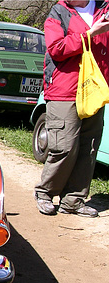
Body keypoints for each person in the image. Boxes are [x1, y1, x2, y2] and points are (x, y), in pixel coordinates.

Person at [35, 0, 109, 217]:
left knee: (88, 148)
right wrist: (90, 34)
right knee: (64, 146)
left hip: (95, 91)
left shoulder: (103, 9)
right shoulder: (59, 12)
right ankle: (45, 193)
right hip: (64, 90)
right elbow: (56, 48)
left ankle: (73, 200)